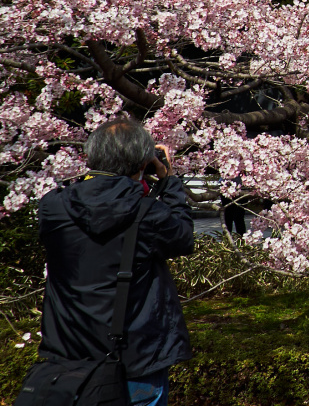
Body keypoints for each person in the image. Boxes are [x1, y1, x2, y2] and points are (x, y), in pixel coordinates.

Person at [36, 116, 195, 406]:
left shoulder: (53, 206)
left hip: (66, 360)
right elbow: (182, 238)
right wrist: (168, 182)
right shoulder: (147, 213)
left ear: (90, 156)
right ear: (142, 163)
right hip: (134, 359)